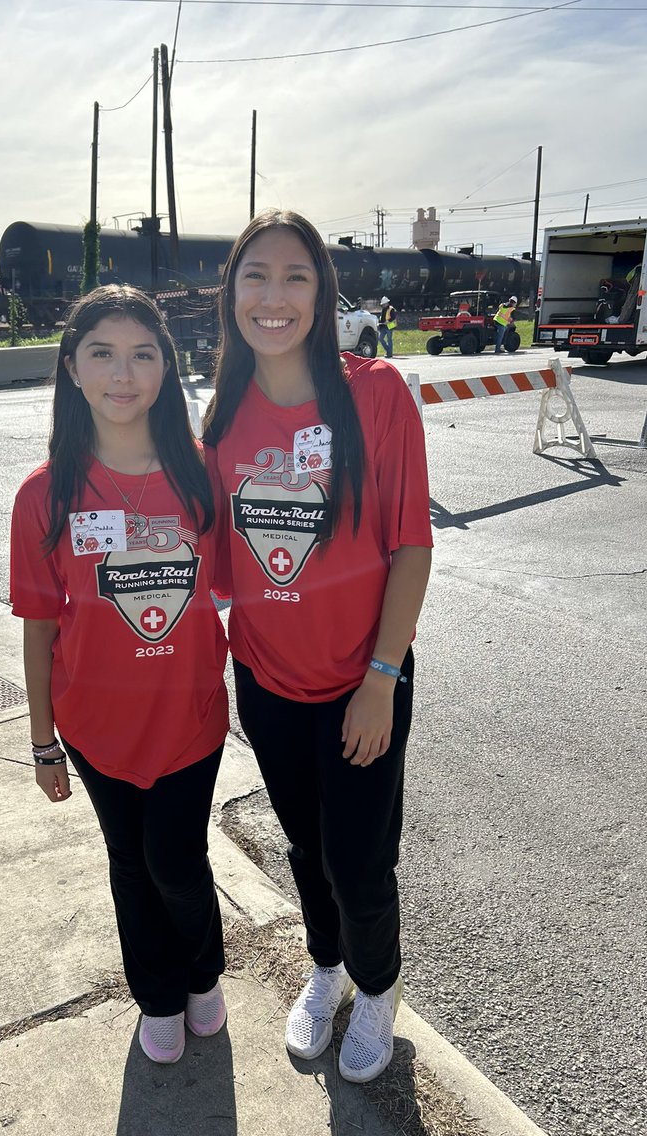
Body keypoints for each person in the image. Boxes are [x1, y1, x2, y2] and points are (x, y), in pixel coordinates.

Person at [203, 210, 433, 1084]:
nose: (274, 296)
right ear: (231, 295)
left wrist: (381, 676)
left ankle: (378, 985)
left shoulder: (373, 395)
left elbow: (411, 542)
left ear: (322, 292)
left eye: (296, 276)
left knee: (360, 857)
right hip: (267, 680)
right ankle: (329, 966)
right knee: (306, 846)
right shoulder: (222, 419)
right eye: (255, 276)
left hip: (363, 680)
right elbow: (213, 565)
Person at [10, 285, 230, 1066]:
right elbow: (40, 630)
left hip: (189, 717)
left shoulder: (205, 475)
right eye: (102, 353)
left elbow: (255, 588)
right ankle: (157, 996)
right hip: (94, 728)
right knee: (128, 866)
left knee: (177, 860)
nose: (123, 373)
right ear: (72, 369)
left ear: (166, 369)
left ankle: (205, 974)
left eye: (143, 353)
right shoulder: (45, 495)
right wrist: (43, 745)